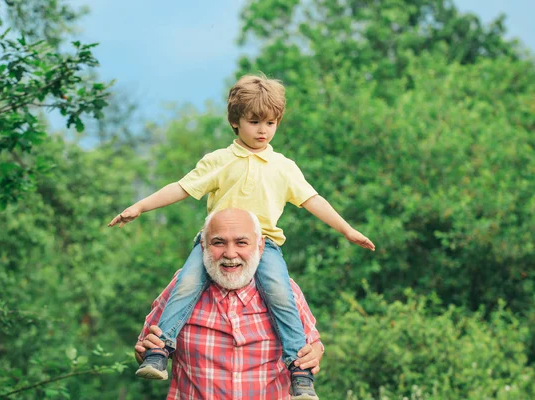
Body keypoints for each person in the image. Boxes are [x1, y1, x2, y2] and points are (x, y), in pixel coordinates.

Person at [109, 74, 375, 398]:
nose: (263, 130)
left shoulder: (283, 167)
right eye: (254, 121)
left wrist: (347, 229)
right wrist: (139, 206)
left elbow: (313, 200)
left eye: (271, 123)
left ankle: (299, 371)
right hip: (214, 240)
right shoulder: (219, 161)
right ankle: (160, 351)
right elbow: (181, 188)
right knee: (187, 283)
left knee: (279, 293)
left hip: (266, 244)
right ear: (235, 122)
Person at [135, 208, 324, 399]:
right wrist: (146, 351)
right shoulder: (182, 288)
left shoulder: (284, 290)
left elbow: (313, 345)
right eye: (219, 242)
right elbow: (145, 348)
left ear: (260, 247)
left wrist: (313, 355)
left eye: (241, 242)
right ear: (203, 246)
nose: (230, 254)